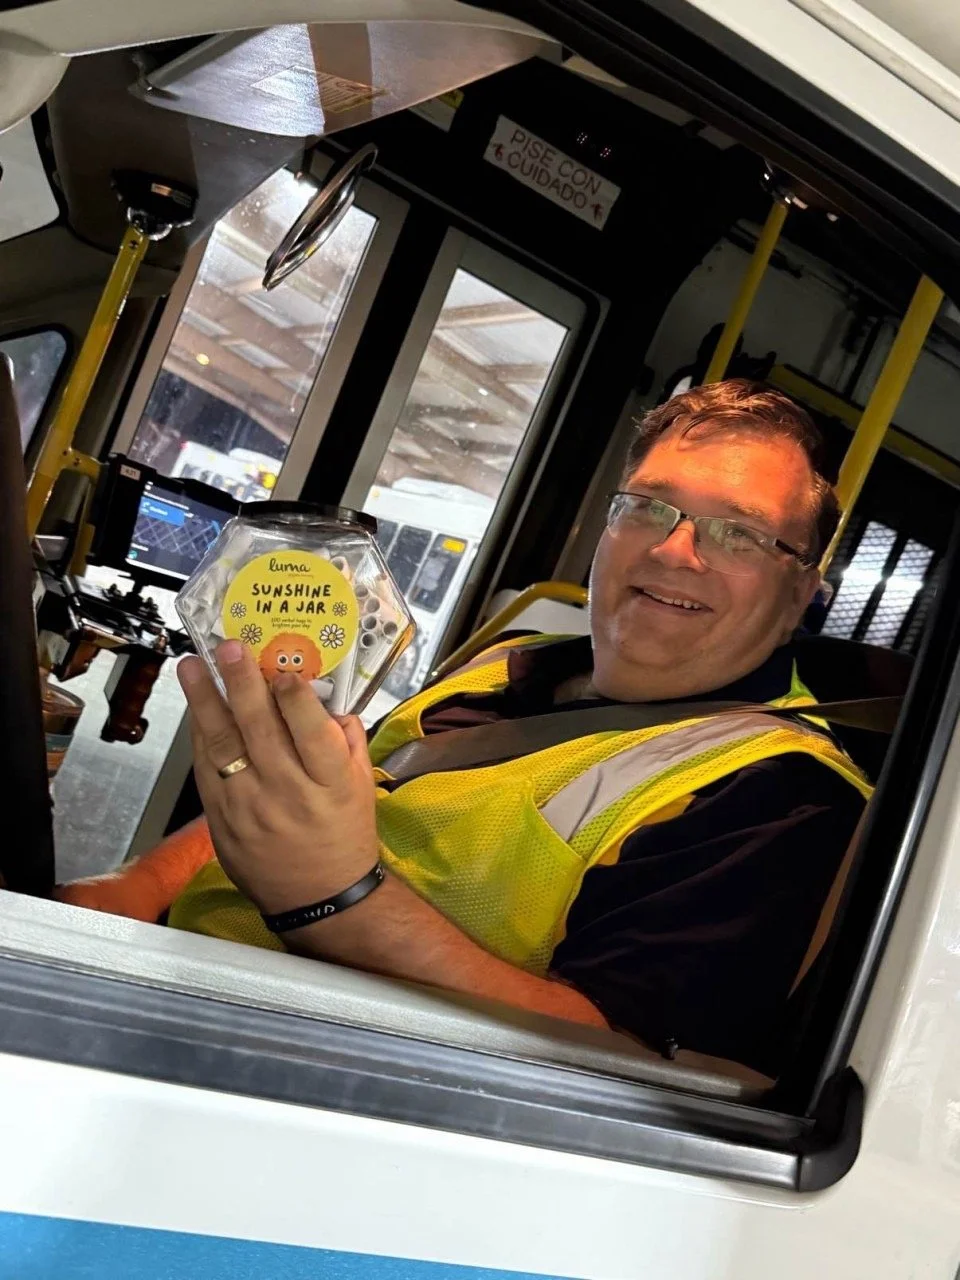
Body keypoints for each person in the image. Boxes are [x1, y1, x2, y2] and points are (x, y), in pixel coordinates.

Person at [58, 380, 872, 1075]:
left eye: (737, 532)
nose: (674, 551)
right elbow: (307, 806)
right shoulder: (512, 660)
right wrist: (139, 888)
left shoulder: (785, 798)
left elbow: (619, 1071)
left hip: (316, 1085)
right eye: (650, 508)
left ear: (803, 592)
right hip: (168, 990)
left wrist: (336, 902)